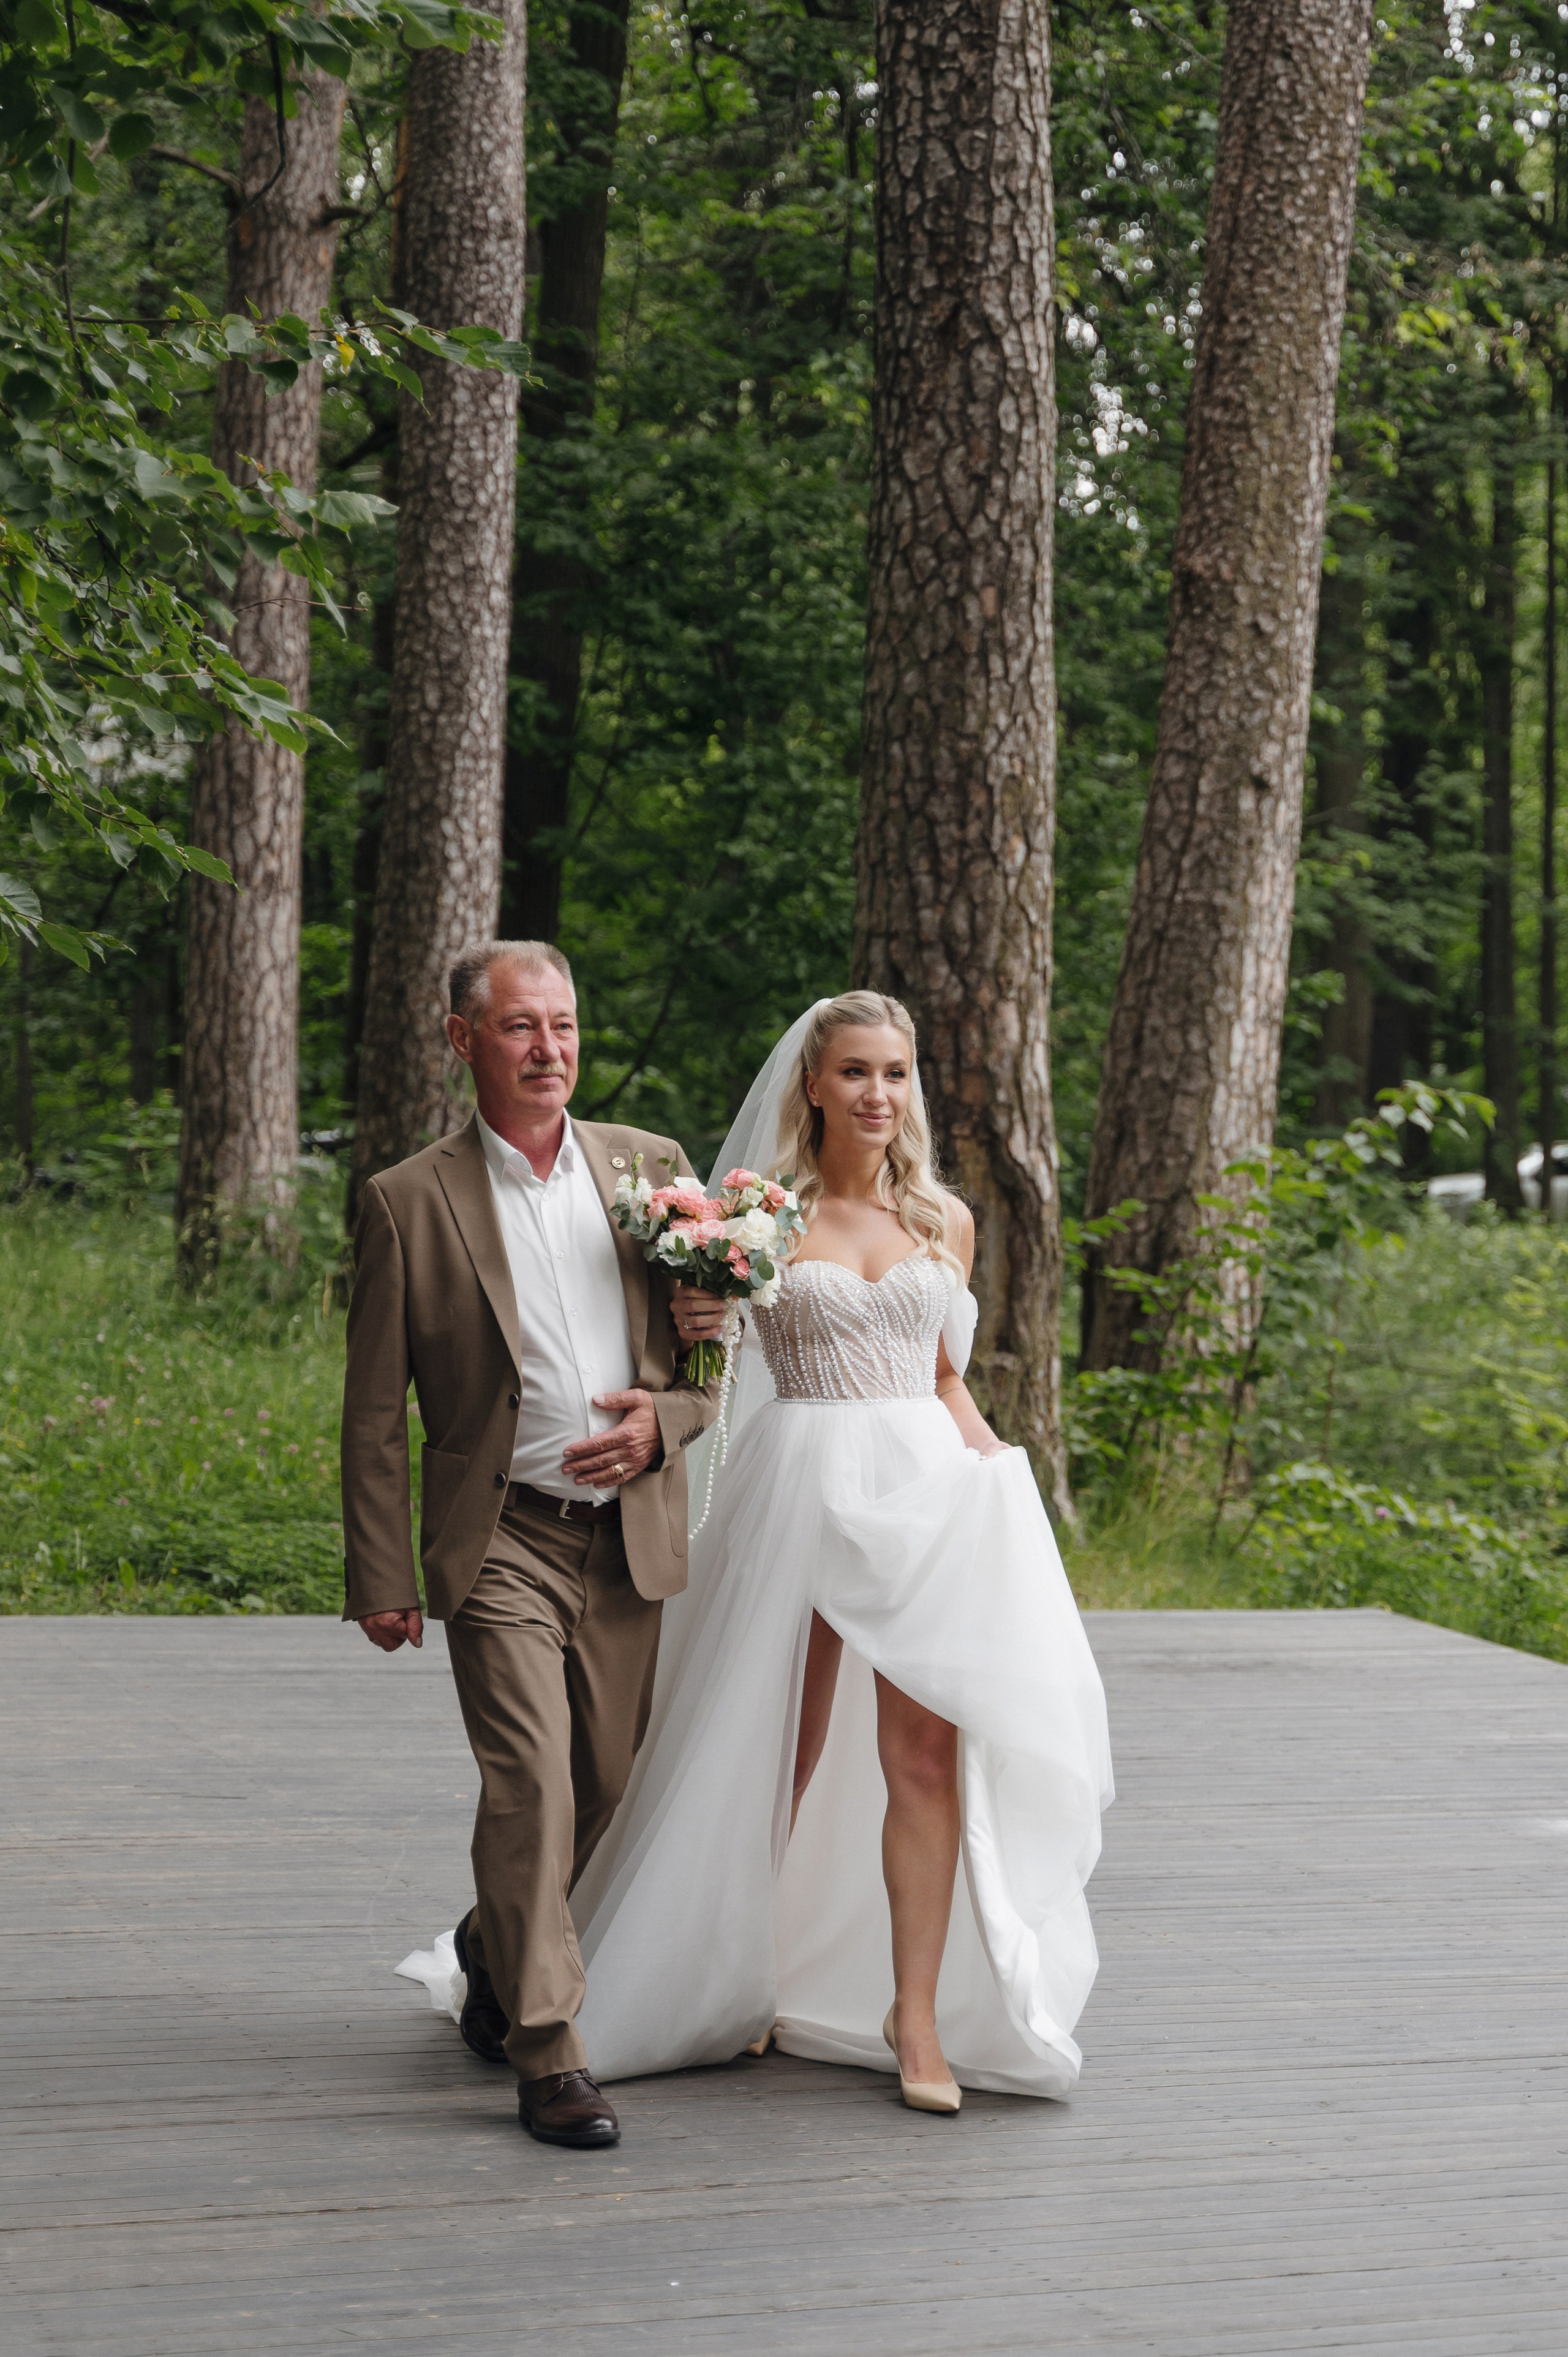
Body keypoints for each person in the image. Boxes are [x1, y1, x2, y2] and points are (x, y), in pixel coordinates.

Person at [567, 991, 1113, 2110]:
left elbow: (946, 1375)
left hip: (926, 1488)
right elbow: (707, 1379)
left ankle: (914, 2018)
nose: (878, 1095)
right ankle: (731, 1974)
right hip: (803, 1481)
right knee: (783, 1746)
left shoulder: (944, 1222)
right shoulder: (758, 1216)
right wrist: (698, 1331)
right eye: (856, 1072)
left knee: (922, 1759)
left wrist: (996, 1474)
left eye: (896, 1075)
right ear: (812, 1084)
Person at [341, 940, 717, 2150]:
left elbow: (709, 1354)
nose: (546, 1049)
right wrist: (381, 1573)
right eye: (517, 1028)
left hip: (628, 1539)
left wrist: (666, 1418)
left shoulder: (651, 1171)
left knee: (606, 1786)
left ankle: (486, 1944)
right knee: (531, 1782)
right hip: (499, 1537)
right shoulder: (411, 1199)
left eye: (559, 1024)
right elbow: (372, 1410)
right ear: (463, 1040)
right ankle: (548, 2052)